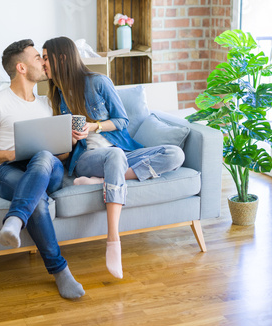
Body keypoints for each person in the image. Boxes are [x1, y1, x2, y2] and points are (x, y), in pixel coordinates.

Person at [42, 36, 184, 279]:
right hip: (87, 158)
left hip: (123, 152)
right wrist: (73, 138)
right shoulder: (55, 95)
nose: (43, 64)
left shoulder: (98, 82)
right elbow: (60, 147)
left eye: (46, 58)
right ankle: (113, 239)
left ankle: (103, 181)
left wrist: (94, 127)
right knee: (114, 156)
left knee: (175, 154)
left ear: (61, 58)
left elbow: (122, 121)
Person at [0, 39, 84, 299]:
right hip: (8, 170)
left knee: (43, 155)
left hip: (47, 167)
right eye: (37, 58)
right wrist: (13, 153)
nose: (44, 63)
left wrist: (69, 141)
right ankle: (60, 272)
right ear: (21, 68)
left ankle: (15, 219)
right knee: (39, 203)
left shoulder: (47, 102)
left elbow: (61, 155)